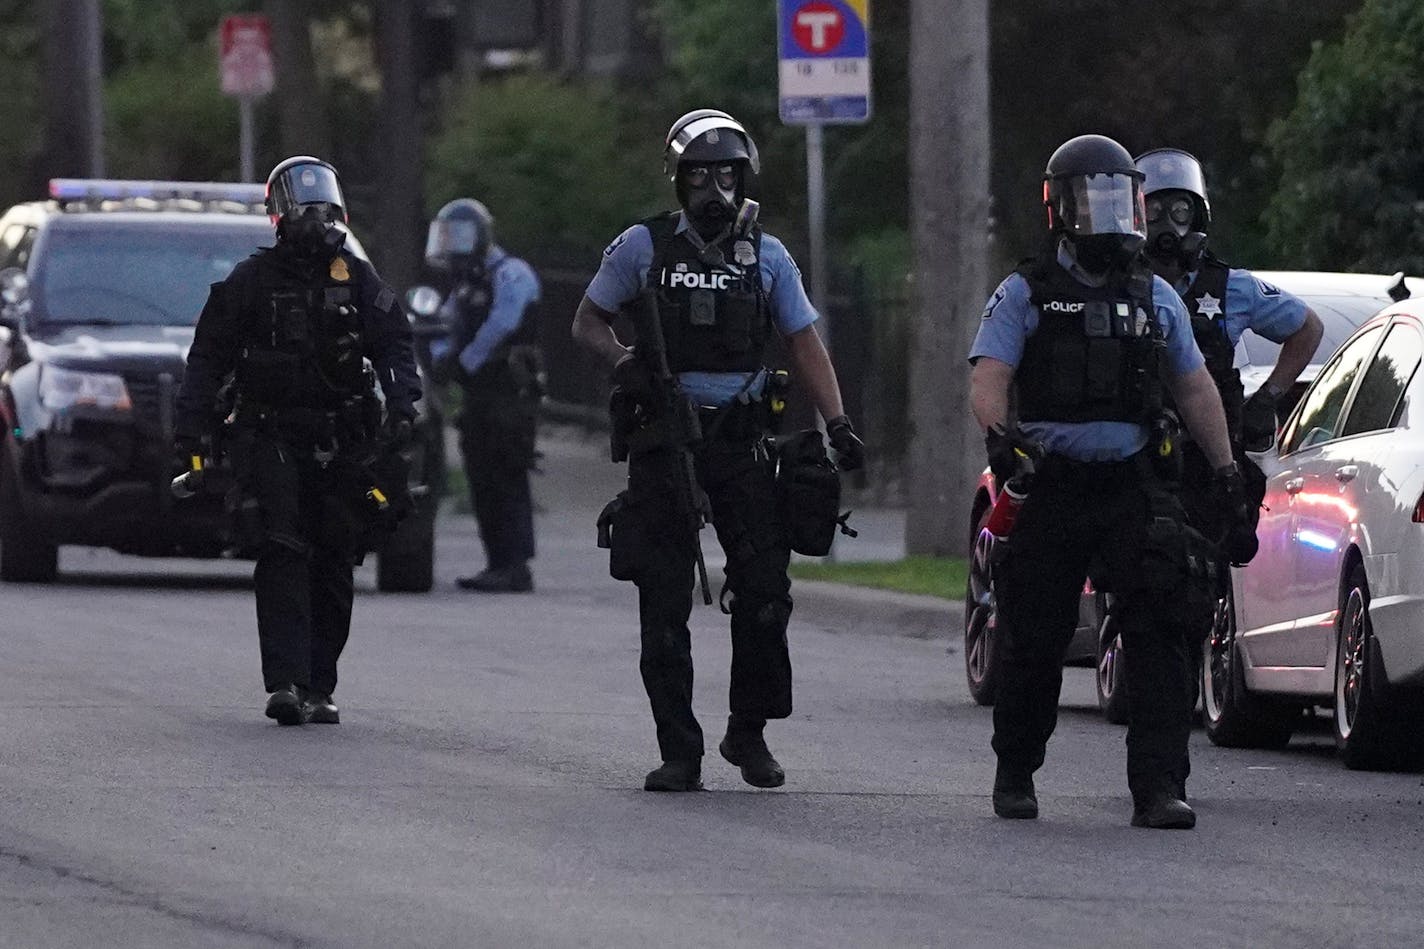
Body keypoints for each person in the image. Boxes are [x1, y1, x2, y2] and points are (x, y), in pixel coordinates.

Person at [571, 108, 865, 792]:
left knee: (765, 594)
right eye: (699, 175)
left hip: (740, 445)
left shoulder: (767, 254)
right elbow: (587, 320)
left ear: (743, 178)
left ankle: (748, 730)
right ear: (678, 180)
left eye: (726, 174)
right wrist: (624, 364)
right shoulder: (642, 247)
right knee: (664, 602)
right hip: (664, 443)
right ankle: (680, 748)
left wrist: (839, 421)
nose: (714, 188)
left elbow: (803, 341)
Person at [968, 134, 1256, 828]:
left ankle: (1159, 785)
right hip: (1054, 480)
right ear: (1060, 209)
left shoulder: (1154, 296)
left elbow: (1195, 387)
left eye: (1117, 200)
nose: (1108, 217)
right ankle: (1015, 769)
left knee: (1164, 622)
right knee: (1034, 632)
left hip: (1133, 481)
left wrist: (1224, 470)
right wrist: (1005, 439)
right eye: (1090, 201)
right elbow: (988, 378)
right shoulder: (1025, 291)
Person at [174, 155, 420, 726]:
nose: (314, 216)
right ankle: (284, 680)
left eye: (323, 204)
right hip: (270, 434)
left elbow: (394, 345)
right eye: (301, 204)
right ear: (279, 213)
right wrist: (193, 434)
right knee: (281, 548)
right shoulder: (249, 283)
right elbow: (206, 361)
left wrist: (403, 404)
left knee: (335, 553)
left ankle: (319, 685)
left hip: (341, 438)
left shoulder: (358, 280)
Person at [1135, 146, 1323, 531]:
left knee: (1221, 549)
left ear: (1198, 218)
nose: (1168, 226)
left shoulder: (1231, 286)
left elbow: (1308, 328)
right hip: (1137, 452)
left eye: (1180, 212)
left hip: (1207, 457)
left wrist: (1269, 397)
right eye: (1154, 213)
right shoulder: (1119, 286)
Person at [425, 198, 543, 593]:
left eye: (457, 235)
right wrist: (441, 358)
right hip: (479, 395)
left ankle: (515, 564)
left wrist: (464, 362)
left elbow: (503, 323)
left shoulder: (511, 274)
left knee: (506, 473)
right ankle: (496, 561)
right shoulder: (466, 283)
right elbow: (447, 322)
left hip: (509, 394)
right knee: (481, 476)